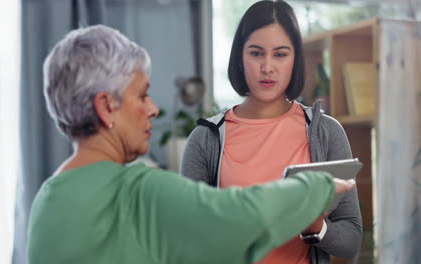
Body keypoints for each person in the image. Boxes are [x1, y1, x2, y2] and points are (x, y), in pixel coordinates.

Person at [26, 24, 356, 264]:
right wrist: (315, 186)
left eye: (280, 54)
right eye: (141, 95)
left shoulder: (46, 200)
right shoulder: (140, 193)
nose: (153, 108)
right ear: (105, 106)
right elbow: (243, 215)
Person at [180, 1, 362, 264]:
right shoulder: (205, 138)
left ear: (295, 60)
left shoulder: (326, 132)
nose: (267, 67)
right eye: (256, 53)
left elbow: (351, 241)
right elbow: (184, 237)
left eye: (280, 54)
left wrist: (316, 227)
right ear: (240, 58)